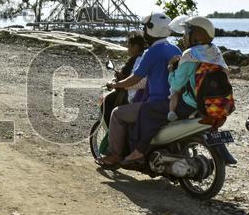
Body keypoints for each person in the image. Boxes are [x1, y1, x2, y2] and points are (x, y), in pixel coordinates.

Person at [126, 16, 227, 164]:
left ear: (196, 36)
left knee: (148, 110)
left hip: (190, 104)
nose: (184, 37)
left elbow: (176, 85)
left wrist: (171, 70)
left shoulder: (189, 54)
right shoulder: (215, 51)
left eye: (187, 33)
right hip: (215, 102)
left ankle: (139, 151)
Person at [98, 12, 178, 167]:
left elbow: (135, 79)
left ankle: (115, 155)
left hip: (155, 103)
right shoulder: (175, 49)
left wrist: (116, 85)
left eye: (145, 28)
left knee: (116, 114)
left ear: (151, 29)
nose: (144, 31)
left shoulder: (151, 52)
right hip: (174, 101)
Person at [97, 33, 146, 156]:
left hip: (132, 94)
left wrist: (117, 84)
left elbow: (134, 80)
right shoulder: (142, 57)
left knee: (109, 107)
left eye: (129, 45)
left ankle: (115, 148)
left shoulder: (138, 59)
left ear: (135, 46)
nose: (127, 48)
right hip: (142, 95)